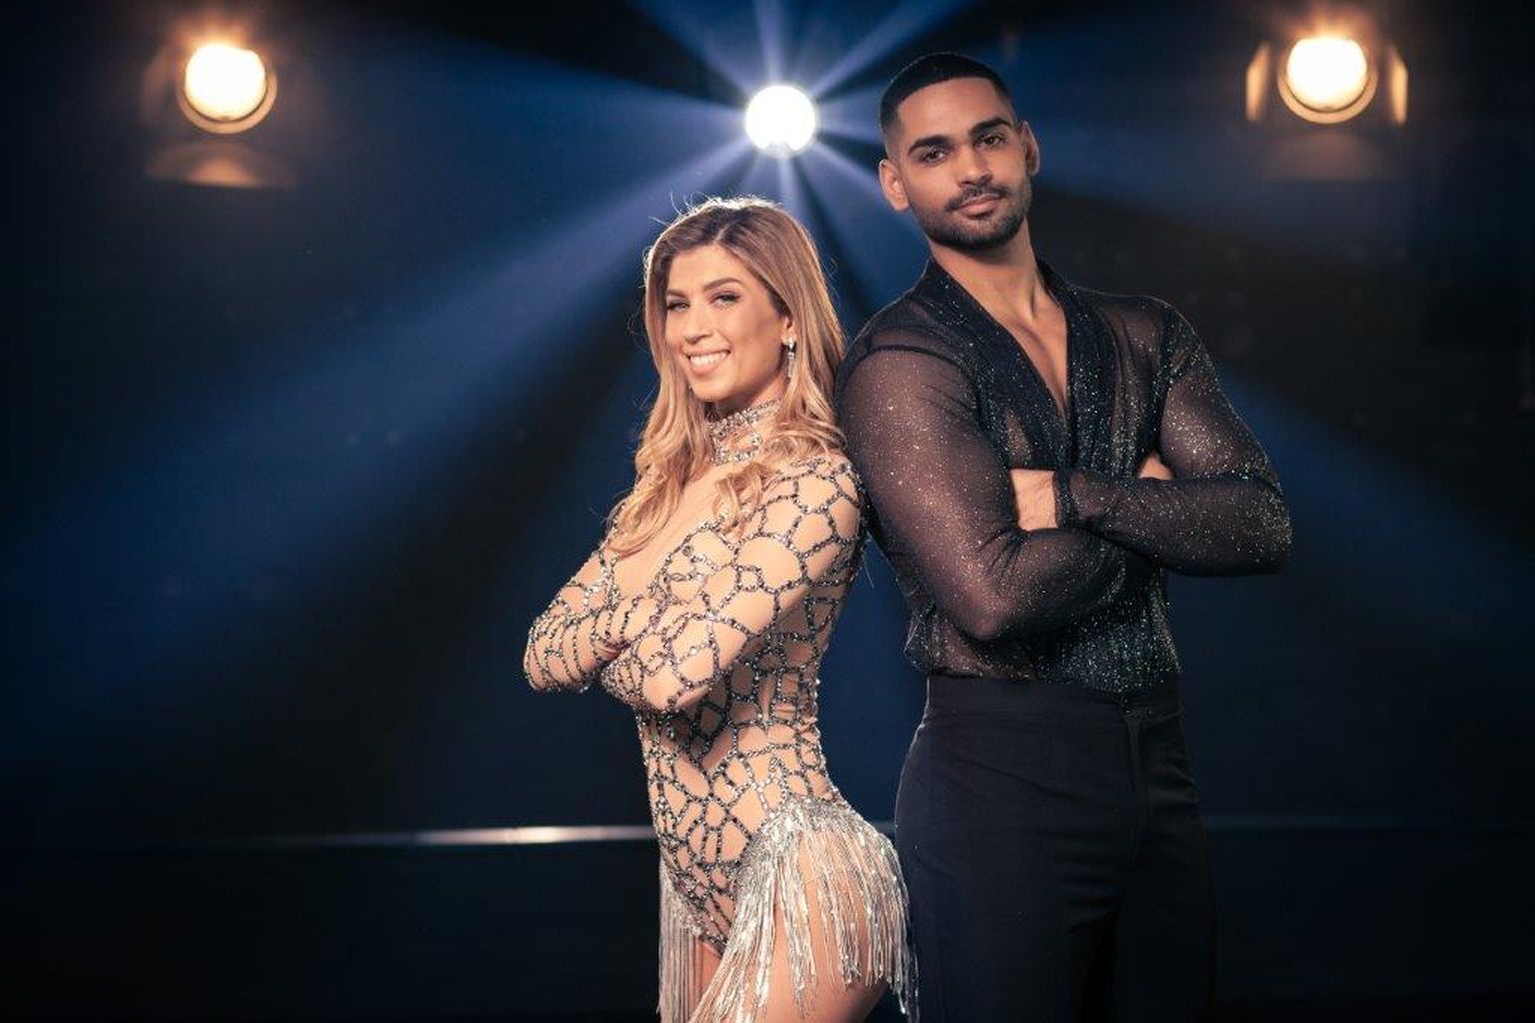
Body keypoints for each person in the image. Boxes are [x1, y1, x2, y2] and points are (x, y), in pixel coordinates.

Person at [832, 53, 1293, 1021]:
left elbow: (1258, 522)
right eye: (934, 152)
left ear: (1029, 146)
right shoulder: (901, 359)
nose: (971, 168)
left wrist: (1078, 495)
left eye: (989, 138)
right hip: (998, 779)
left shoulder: (1144, 332)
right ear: (894, 182)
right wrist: (1157, 504)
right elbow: (994, 600)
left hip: (1158, 761)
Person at [523, 196, 918, 1023]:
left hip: (804, 874)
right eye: (677, 304)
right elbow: (544, 654)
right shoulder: (662, 489)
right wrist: (651, 619)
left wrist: (622, 619)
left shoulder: (817, 481)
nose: (693, 327)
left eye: (724, 297)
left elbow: (669, 679)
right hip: (692, 886)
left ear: (788, 318)